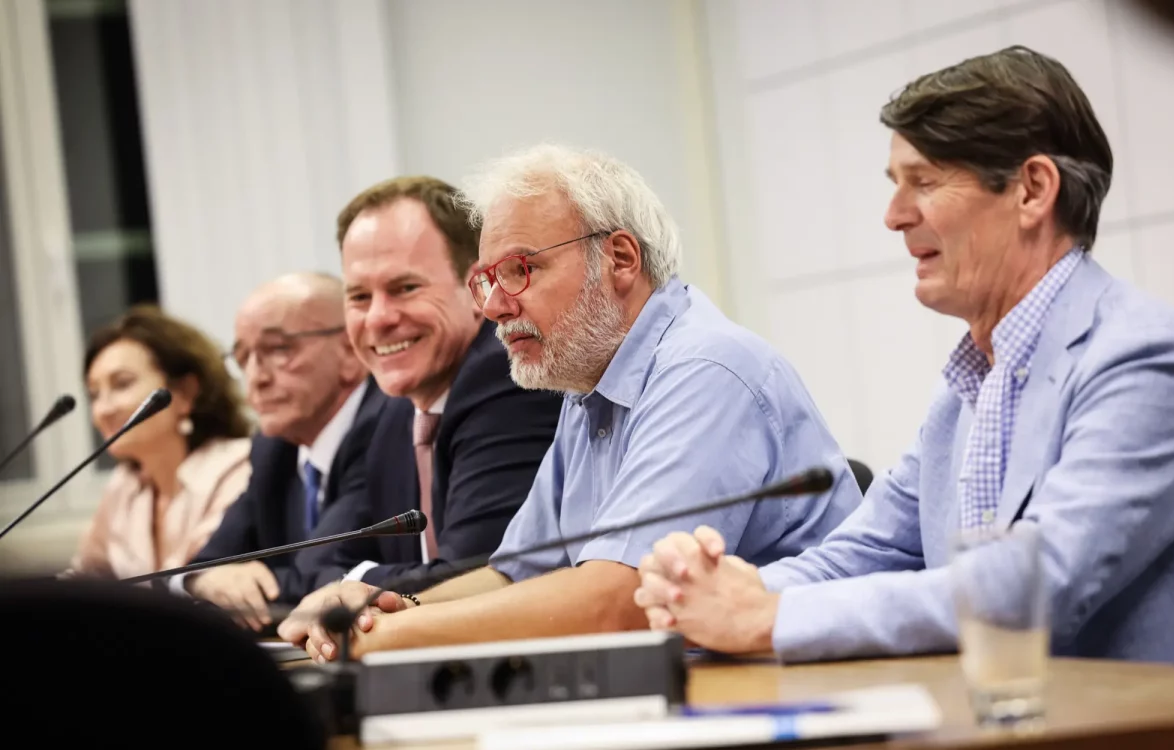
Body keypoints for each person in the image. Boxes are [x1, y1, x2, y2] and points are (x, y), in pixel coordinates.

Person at [634, 46, 1174, 665]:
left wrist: (767, 617)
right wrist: (719, 596)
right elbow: (867, 552)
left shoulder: (1145, 359)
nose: (894, 216)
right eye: (895, 186)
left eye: (924, 183)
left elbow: (1034, 587)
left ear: (1033, 191)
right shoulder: (966, 384)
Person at [286, 145, 862, 663]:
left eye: (519, 270)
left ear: (619, 259)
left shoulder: (705, 369)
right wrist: (386, 607)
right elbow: (516, 574)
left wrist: (376, 638)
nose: (494, 307)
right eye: (485, 280)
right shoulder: (587, 386)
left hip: (800, 689)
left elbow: (618, 602)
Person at [277, 176, 563, 647]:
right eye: (359, 297)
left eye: (405, 287)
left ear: (478, 290)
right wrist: (350, 583)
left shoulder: (505, 379)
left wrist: (354, 587)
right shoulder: (393, 410)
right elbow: (315, 557)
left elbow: (481, 573)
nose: (378, 319)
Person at [172, 272, 386, 629]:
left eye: (277, 350)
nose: (256, 378)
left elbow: (319, 578)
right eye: (243, 358)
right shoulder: (274, 450)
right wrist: (205, 579)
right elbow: (202, 563)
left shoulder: (382, 429)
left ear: (350, 351)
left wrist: (234, 583)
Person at [67, 305, 253, 579]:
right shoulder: (124, 485)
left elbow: (200, 580)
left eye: (121, 384)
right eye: (94, 394)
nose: (102, 410)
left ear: (185, 392)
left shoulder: (237, 467)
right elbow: (81, 581)